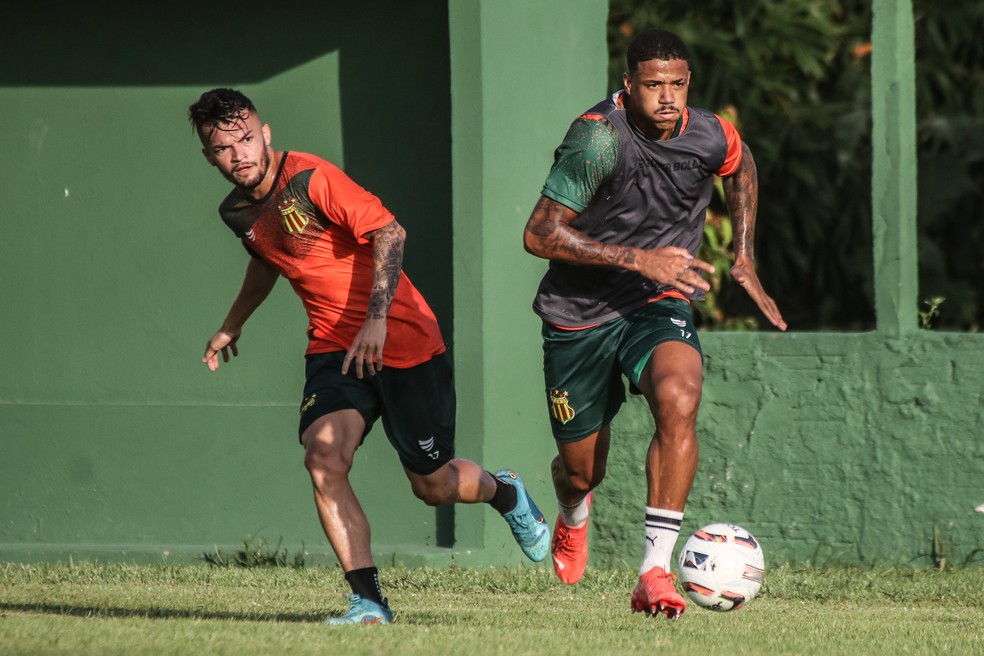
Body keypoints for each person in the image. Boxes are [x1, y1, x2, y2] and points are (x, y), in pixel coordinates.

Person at [188, 88, 549, 625]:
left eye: (245, 139)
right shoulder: (237, 212)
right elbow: (268, 257)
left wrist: (377, 319)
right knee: (322, 458)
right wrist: (232, 324)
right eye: (223, 148)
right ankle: (369, 602)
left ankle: (504, 492)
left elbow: (389, 232)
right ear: (209, 156)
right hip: (334, 348)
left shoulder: (312, 179)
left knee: (432, 484)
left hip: (404, 342)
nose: (239, 154)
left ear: (265, 133)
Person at [522, 28, 786, 620]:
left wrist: (744, 254)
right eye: (651, 85)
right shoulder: (595, 141)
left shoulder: (709, 132)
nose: (666, 97)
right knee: (582, 470)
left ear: (688, 83)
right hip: (578, 315)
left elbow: (740, 169)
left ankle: (653, 571)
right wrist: (639, 256)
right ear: (627, 85)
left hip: (656, 300)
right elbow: (538, 234)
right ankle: (572, 513)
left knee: (679, 394)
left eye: (676, 84)